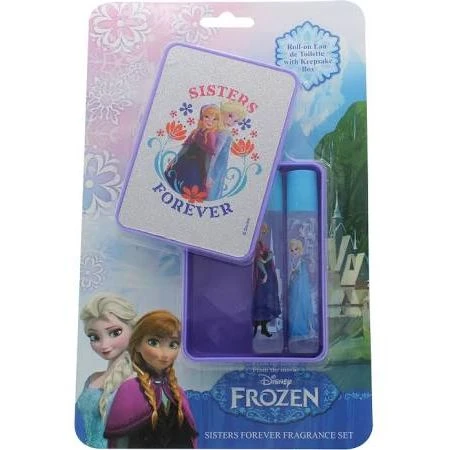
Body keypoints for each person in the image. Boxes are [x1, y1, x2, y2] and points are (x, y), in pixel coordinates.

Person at [104, 310, 198, 448]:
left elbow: (189, 439)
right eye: (153, 342)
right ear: (137, 345)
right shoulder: (129, 390)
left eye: (173, 345)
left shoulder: (178, 392)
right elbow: (119, 441)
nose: (165, 354)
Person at [75, 293, 138, 448]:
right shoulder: (92, 379)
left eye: (115, 333)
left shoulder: (136, 382)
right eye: (94, 337)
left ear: (133, 329)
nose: (104, 345)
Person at [165, 104, 223, 196]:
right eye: (207, 117)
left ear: (218, 121)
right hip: (183, 161)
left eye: (214, 119)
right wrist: (174, 160)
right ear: (202, 117)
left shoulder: (211, 135)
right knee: (173, 180)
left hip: (197, 167)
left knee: (190, 187)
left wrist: (208, 175)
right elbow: (185, 148)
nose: (210, 121)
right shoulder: (195, 131)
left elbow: (208, 157)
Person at [206, 101, 246, 200]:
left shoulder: (219, 130)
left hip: (217, 168)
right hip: (213, 169)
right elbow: (213, 155)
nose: (231, 122)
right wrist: (208, 175)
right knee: (210, 196)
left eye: (236, 121)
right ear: (223, 111)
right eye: (230, 116)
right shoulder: (222, 133)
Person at [252, 224, 281, 337]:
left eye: (263, 232)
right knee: (258, 301)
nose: (262, 234)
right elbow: (258, 261)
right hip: (259, 278)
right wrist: (264, 274)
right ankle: (255, 328)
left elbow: (266, 257)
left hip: (265, 279)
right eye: (261, 232)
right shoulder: (255, 245)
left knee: (264, 302)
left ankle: (263, 328)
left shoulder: (261, 244)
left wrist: (267, 258)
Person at [288, 239, 315, 339]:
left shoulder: (303, 261)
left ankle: (306, 329)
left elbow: (305, 274)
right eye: (292, 250)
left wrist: (294, 272)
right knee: (295, 307)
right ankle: (297, 329)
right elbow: (292, 275)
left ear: (300, 250)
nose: (294, 252)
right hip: (295, 287)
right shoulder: (292, 261)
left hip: (302, 288)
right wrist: (292, 273)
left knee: (303, 306)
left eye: (296, 249)